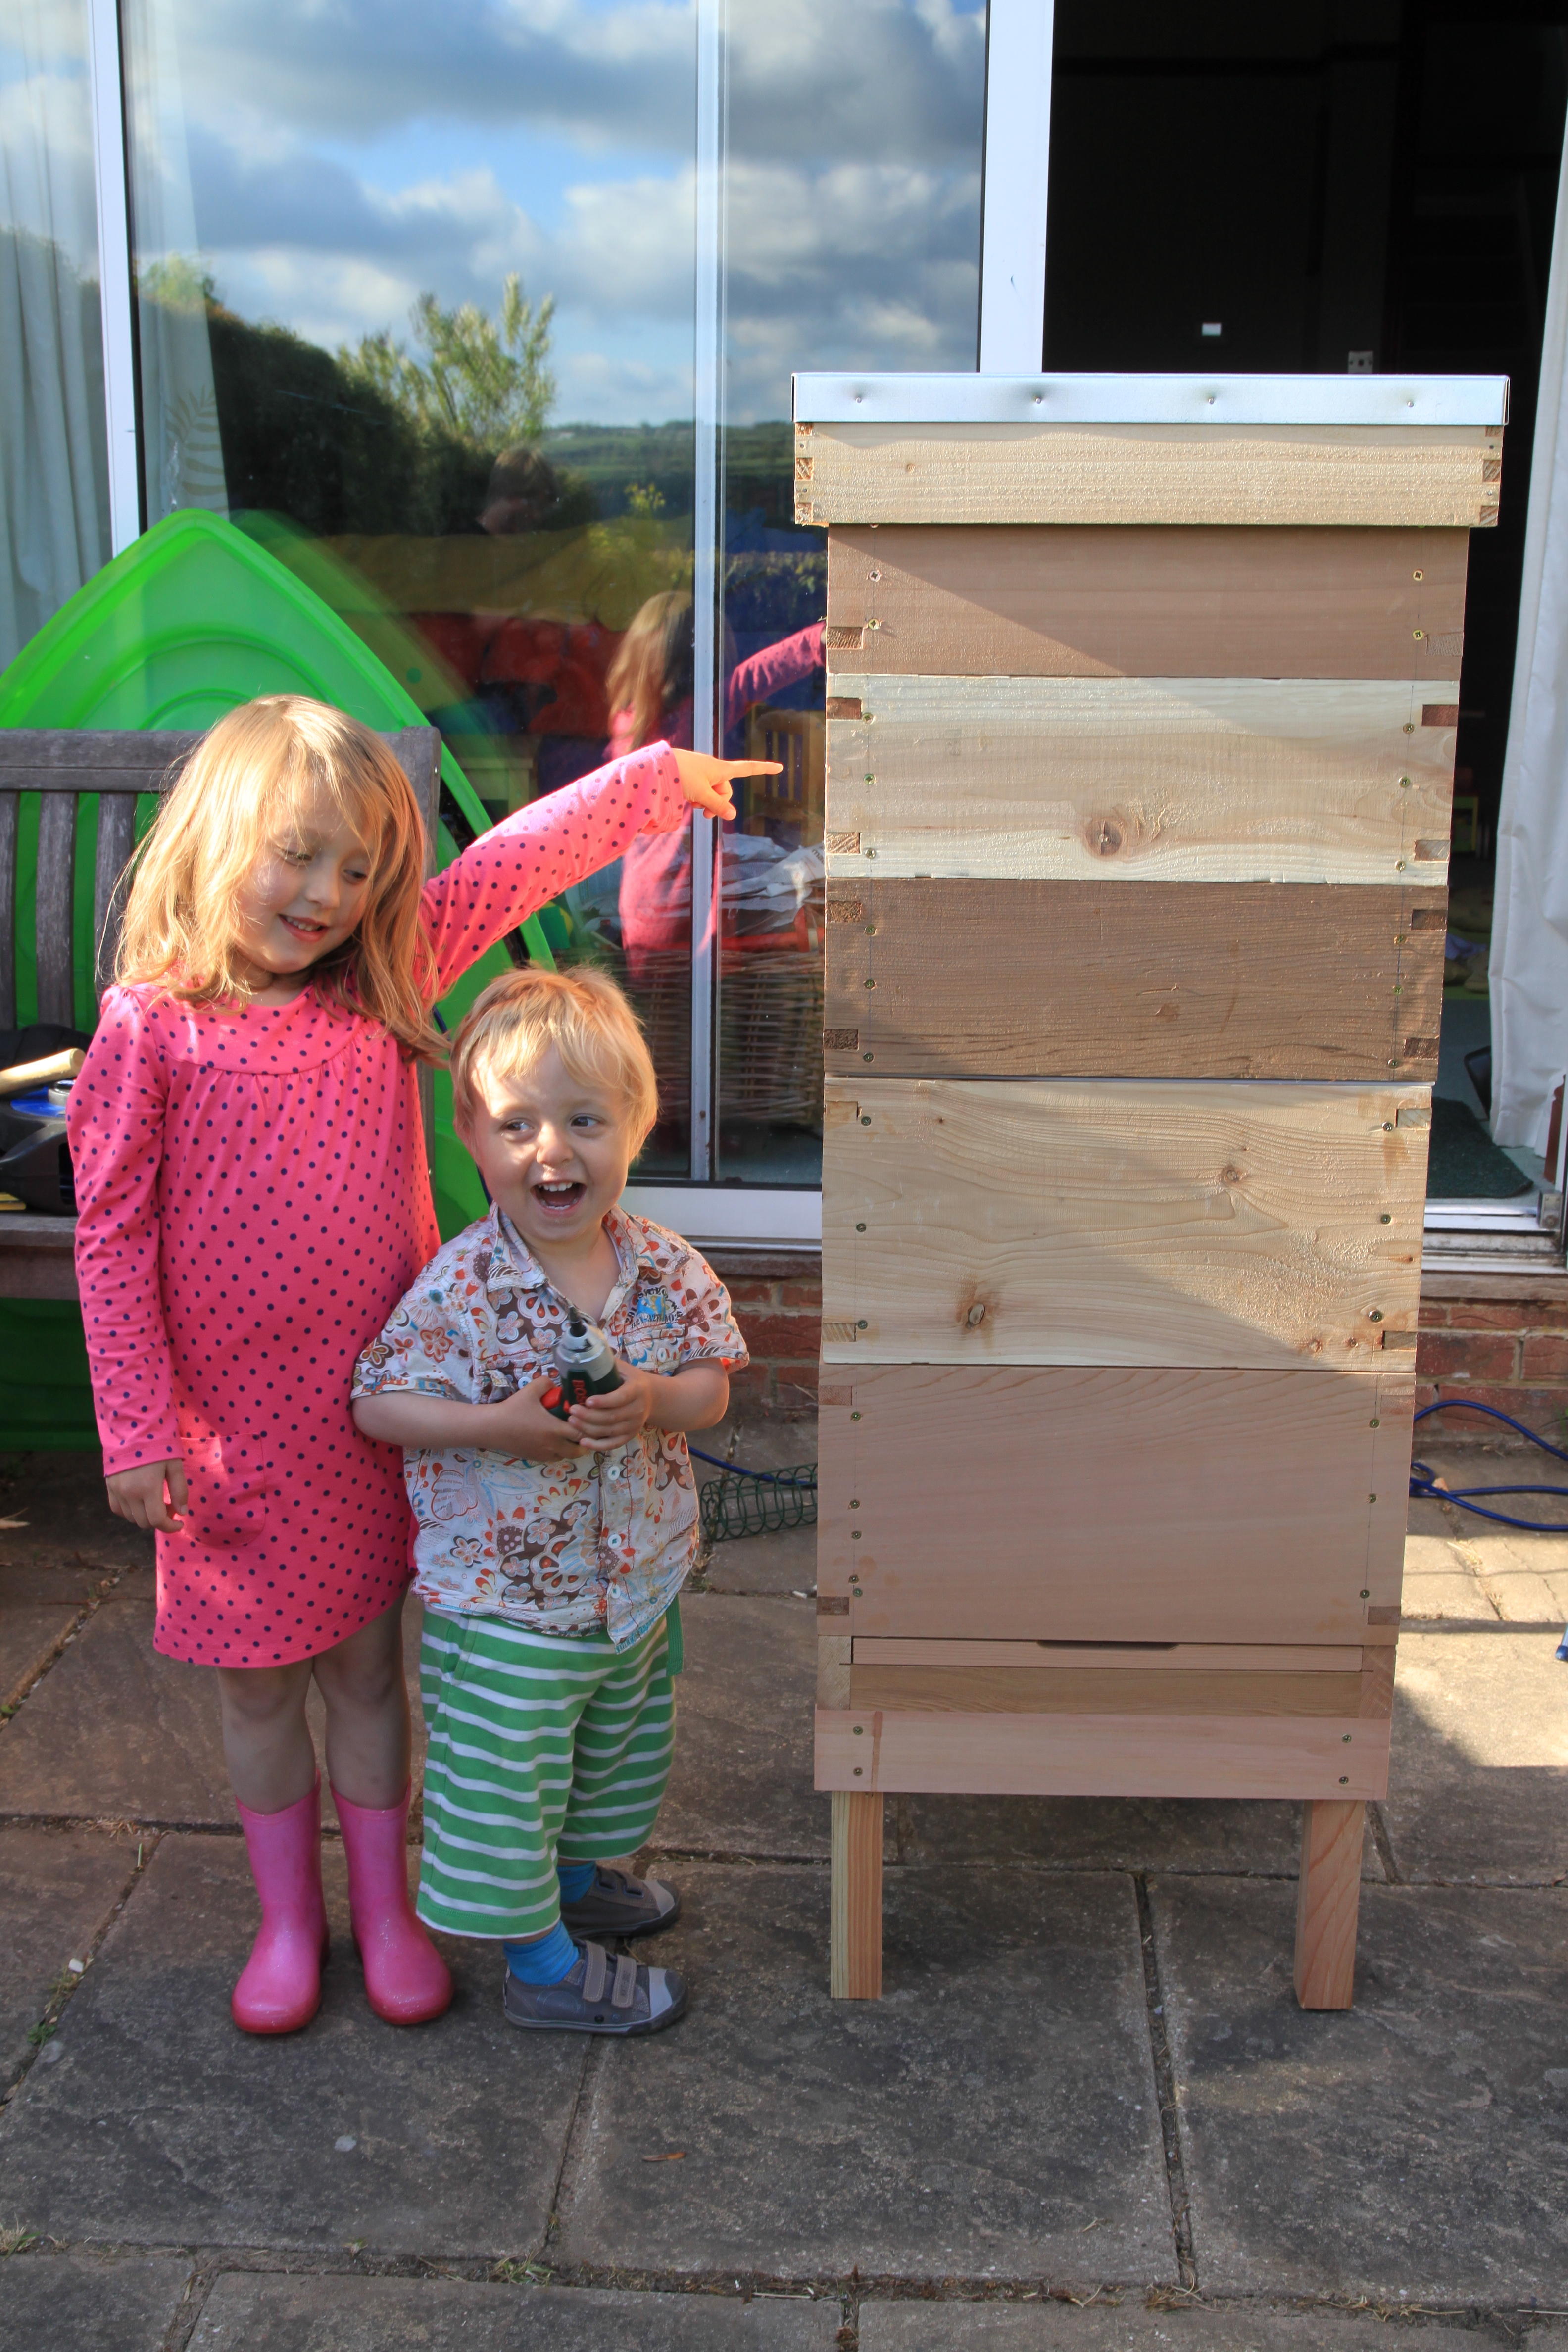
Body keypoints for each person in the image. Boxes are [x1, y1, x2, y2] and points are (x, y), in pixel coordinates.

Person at [67, 692, 771, 2037]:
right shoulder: (151, 1028)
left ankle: (389, 1909)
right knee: (259, 1686)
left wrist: (651, 784)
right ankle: (290, 1921)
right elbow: (111, 1236)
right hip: (227, 1439)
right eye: (297, 855)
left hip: (386, 1419)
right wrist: (136, 1429)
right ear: (217, 838)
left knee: (368, 1673)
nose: (327, 895)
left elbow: (506, 864)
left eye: (357, 869)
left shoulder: (380, 985)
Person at [349, 965, 742, 2036]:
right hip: (507, 1607)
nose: (551, 1151)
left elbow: (710, 1386)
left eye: (584, 1121)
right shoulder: (462, 1286)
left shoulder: (664, 1268)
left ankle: (572, 1886)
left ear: (636, 1127)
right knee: (504, 1787)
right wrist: (495, 1425)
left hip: (632, 1588)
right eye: (517, 1125)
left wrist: (655, 1398)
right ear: (471, 1137)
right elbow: (378, 1403)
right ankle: (541, 1966)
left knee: (608, 1755)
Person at [606, 590, 824, 965]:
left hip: (640, 908)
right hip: (688, 909)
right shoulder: (696, 717)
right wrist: (818, 641)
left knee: (653, 999)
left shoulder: (626, 723)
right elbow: (754, 677)